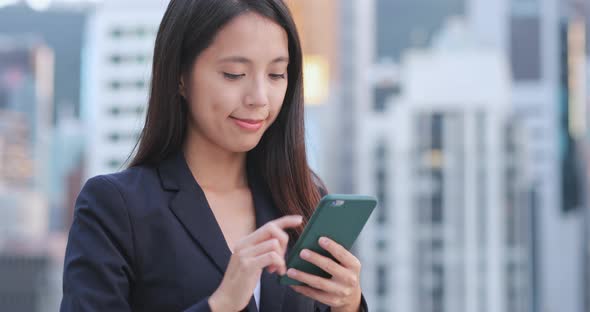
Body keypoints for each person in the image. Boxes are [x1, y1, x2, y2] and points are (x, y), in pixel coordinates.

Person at [60, 1, 368, 311]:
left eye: (276, 74)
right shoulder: (115, 208)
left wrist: (349, 304)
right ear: (181, 76)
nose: (259, 98)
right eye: (234, 74)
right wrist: (221, 304)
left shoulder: (302, 200)